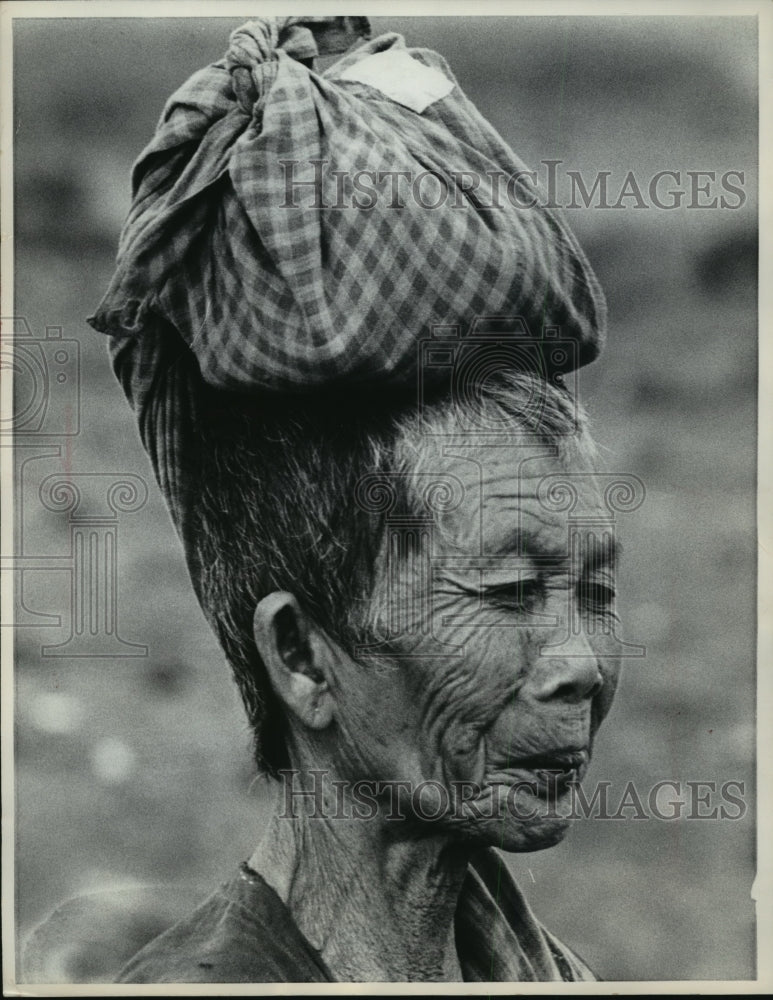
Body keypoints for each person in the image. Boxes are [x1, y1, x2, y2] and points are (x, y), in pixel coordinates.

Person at [84, 15, 619, 983]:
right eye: (506, 591)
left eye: (596, 592)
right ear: (301, 657)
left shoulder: (537, 970)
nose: (580, 664)